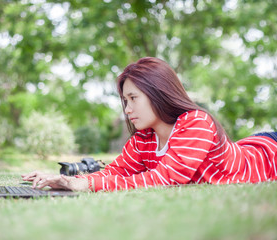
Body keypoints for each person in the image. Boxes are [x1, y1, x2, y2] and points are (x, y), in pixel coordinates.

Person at [21, 57, 277, 192]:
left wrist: (86, 185)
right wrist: (64, 179)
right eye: (124, 100)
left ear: (158, 92)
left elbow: (166, 178)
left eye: (134, 98)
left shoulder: (197, 122)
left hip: (268, 153)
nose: (127, 108)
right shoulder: (144, 139)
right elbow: (115, 172)